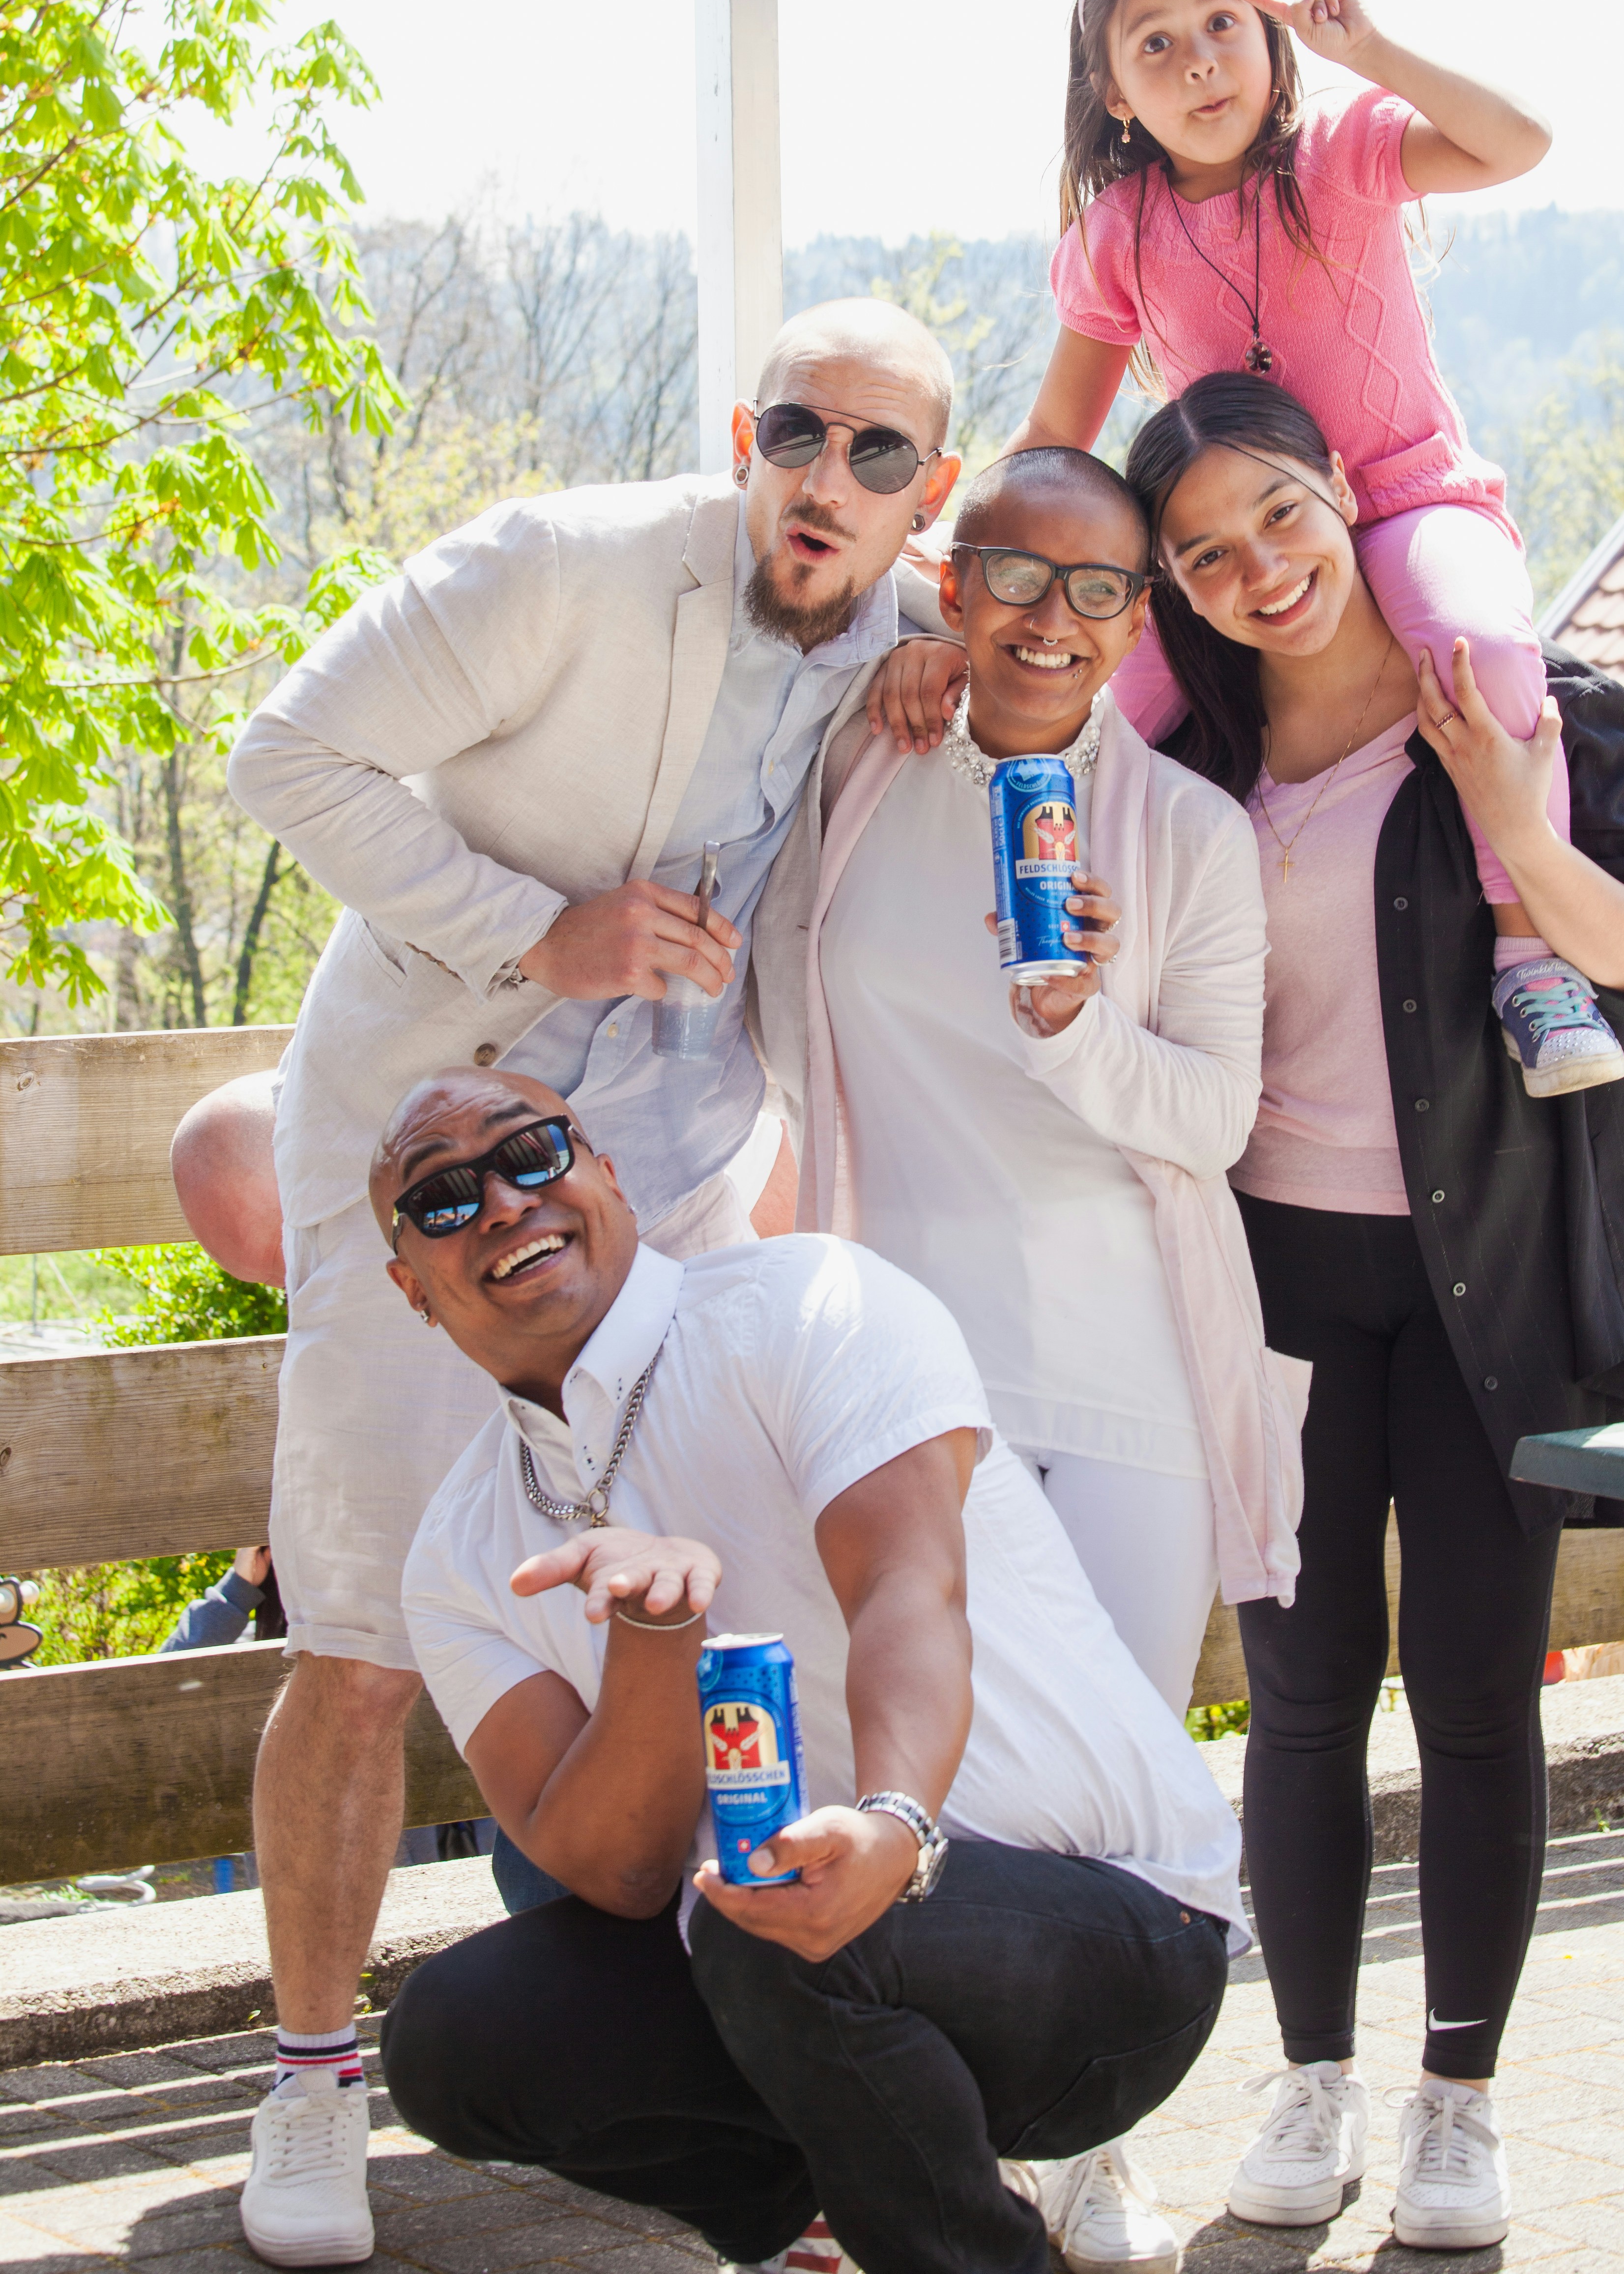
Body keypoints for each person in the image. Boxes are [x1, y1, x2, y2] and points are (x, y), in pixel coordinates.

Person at [210, 300, 962, 2268]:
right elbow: (282, 749)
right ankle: (306, 2086)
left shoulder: (913, 637)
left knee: (708, 1627)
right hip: (433, 1151)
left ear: (925, 495)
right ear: (746, 432)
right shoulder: (563, 566)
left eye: (882, 457)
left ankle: (756, 2109)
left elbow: (1038, 641)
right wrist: (538, 928)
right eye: (801, 434)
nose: (831, 480)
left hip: (675, 1193)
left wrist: (947, 671)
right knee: (368, 1631)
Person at [1120, 373, 1624, 2250]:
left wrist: (1508, 818)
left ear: (1343, 492)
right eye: (1204, 553)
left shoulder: (1535, 697)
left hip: (1488, 1285)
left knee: (1469, 1690)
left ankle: (1460, 2098)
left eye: (1278, 514)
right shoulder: (1189, 759)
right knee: (1296, 1697)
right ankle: (1309, 2078)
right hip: (1275, 1278)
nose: (1256, 569)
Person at [368, 1065, 1245, 2274]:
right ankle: (829, 2200)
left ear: (606, 1174)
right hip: (788, 1961)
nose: (505, 1204)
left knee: (773, 1923)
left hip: (1111, 1929)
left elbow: (907, 1587)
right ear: (412, 1287)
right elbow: (614, 1873)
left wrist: (892, 1825)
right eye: (444, 1198)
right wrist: (655, 1642)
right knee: (456, 2040)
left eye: (530, 1154)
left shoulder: (809, 1301)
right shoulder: (461, 1552)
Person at [1009, 0, 1624, 1100]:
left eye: (1223, 26)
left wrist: (1373, 46)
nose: (1200, 62)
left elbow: (1519, 144)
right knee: (1115, 725)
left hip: (1398, 495)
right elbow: (1057, 441)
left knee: (1484, 650)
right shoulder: (1120, 235)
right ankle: (1096, 968)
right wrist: (981, 557)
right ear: (1114, 94)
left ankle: (1531, 962)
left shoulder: (1338, 154)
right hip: (1238, 543)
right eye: (1157, 45)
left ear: (1271, 38)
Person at [776, 443, 1302, 1712]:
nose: (1052, 618)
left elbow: (1218, 1122)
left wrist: (1077, 1026)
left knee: (1126, 1787)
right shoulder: (851, 768)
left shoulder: (1190, 832)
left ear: (1138, 618)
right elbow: (791, 596)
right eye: (1014, 574)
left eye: (1098, 589)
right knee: (930, 1784)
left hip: (1132, 1388)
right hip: (910, 1382)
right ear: (950, 589)